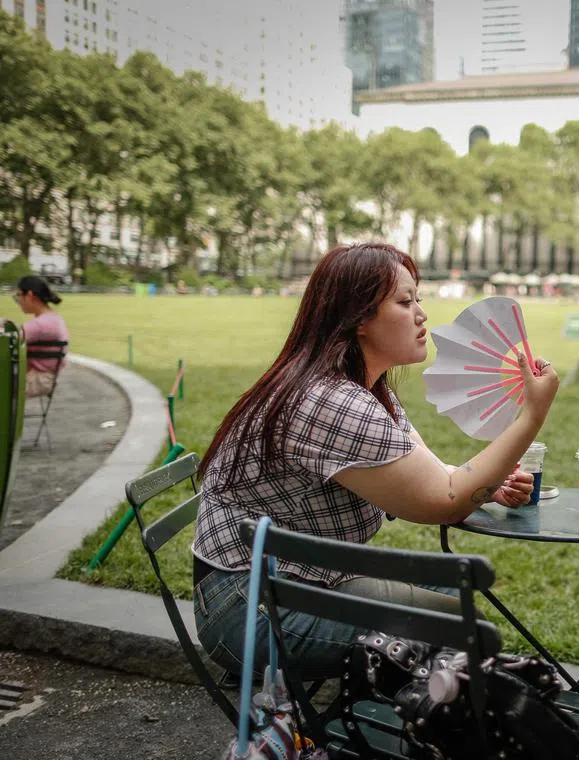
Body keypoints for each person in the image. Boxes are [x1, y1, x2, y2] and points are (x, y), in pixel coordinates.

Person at [191, 242, 559, 681]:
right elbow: (444, 500)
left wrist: (489, 485)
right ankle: (402, 733)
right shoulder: (334, 402)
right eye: (405, 302)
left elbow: (433, 474)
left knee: (445, 593)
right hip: (248, 609)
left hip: (286, 582)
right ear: (359, 319)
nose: (422, 314)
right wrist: (532, 414)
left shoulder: (362, 388)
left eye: (418, 298)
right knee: (461, 625)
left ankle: (384, 721)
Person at [12, 275, 68, 397]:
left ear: (30, 295)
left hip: (36, 380)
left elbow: (11, 340)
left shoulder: (40, 324)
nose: (18, 301)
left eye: (19, 296)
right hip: (45, 378)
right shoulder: (53, 318)